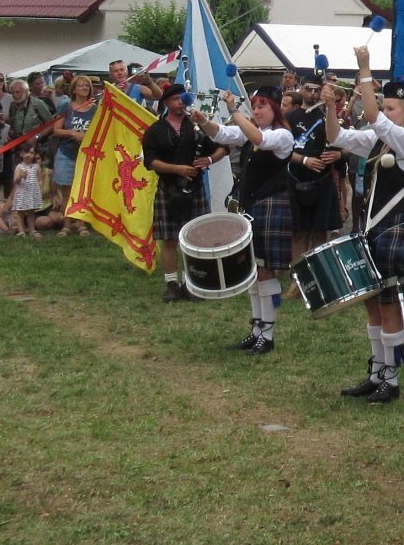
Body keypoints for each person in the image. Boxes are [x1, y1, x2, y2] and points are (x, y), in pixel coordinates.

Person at [326, 52, 404, 404]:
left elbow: (370, 115)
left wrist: (366, 71)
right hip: (372, 228)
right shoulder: (377, 141)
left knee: (389, 304)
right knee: (372, 302)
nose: (385, 114)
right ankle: (376, 373)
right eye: (386, 109)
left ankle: (392, 378)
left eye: (392, 109)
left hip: (396, 227)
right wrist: (329, 106)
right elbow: (336, 136)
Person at [196, 86, 296, 352]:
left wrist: (234, 110)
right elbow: (222, 133)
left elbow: (260, 140)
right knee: (253, 270)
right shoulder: (251, 131)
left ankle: (269, 334)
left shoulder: (282, 136)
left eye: (262, 106)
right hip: (252, 205)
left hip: (272, 204)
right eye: (255, 106)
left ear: (275, 108)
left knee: (265, 269)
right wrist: (203, 120)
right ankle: (256, 329)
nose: (258, 111)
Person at [141, 82, 227, 302]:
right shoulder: (155, 130)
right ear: (167, 103)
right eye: (176, 99)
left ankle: (193, 284)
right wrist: (177, 169)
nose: (181, 103)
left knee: (195, 239)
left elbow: (223, 147)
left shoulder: (197, 126)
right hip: (169, 188)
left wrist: (208, 159)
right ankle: (172, 284)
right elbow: (150, 162)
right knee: (169, 239)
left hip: (195, 188)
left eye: (183, 98)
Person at [286, 77, 343, 263]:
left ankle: (320, 276)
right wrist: (304, 160)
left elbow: (348, 141)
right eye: (309, 89)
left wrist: (339, 155)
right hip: (296, 178)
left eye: (317, 90)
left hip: (323, 179)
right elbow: (282, 150)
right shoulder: (290, 117)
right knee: (298, 232)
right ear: (301, 89)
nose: (312, 93)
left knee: (320, 232)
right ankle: (298, 278)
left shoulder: (329, 117)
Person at [50, 74, 99, 235]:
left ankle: (82, 224)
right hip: (66, 153)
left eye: (87, 85)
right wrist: (72, 133)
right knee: (67, 191)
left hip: (86, 155)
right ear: (74, 89)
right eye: (80, 85)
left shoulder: (95, 109)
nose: (84, 88)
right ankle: (66, 225)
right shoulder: (66, 106)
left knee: (83, 191)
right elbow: (56, 130)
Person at [9, 144, 44, 237]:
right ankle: (21, 231)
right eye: (26, 152)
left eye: (31, 153)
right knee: (20, 213)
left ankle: (32, 230)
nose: (29, 155)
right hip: (22, 192)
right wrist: (21, 176)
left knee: (31, 212)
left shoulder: (36, 166)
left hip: (32, 193)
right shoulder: (19, 167)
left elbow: (39, 179)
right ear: (21, 154)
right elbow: (15, 181)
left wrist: (40, 191)